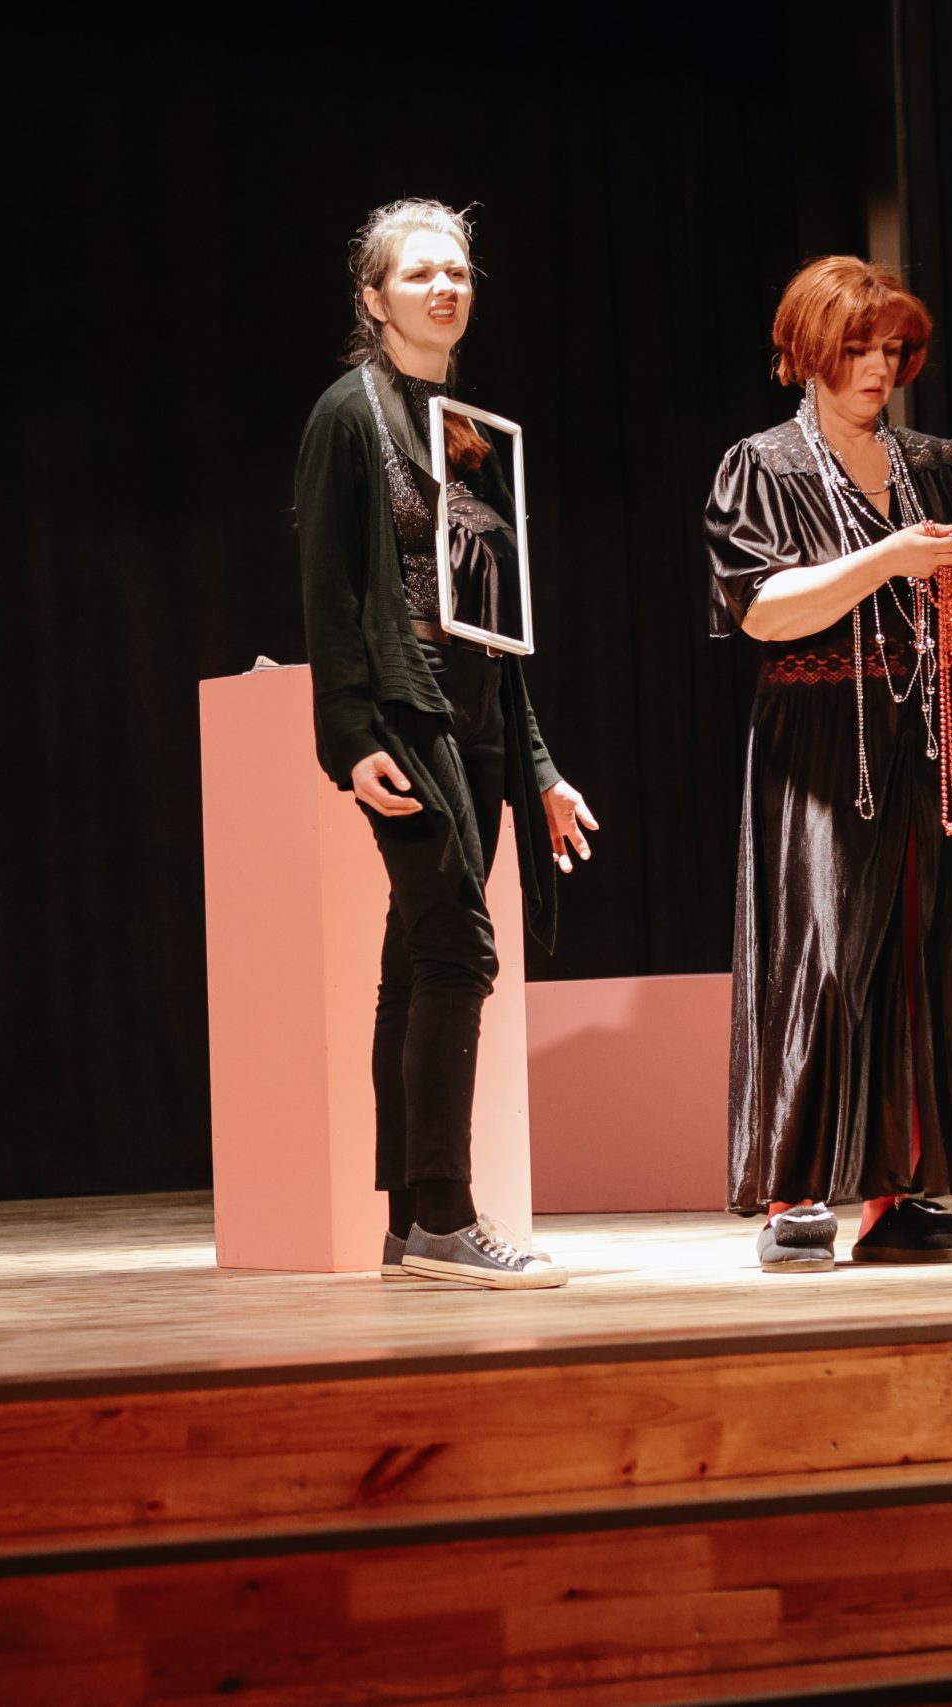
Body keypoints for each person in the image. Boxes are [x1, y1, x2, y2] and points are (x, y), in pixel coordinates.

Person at [704, 257, 952, 1273]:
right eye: (857, 349)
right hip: (819, 736)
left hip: (924, 731)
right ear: (808, 351)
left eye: (892, 350)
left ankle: (896, 1193)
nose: (877, 369)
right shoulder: (762, 467)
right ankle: (796, 1193)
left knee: (916, 958)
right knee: (820, 957)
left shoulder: (940, 464)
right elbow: (763, 612)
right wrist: (887, 558)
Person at [296, 198, 597, 1289]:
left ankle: (406, 1223)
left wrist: (540, 766)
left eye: (458, 272)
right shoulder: (349, 416)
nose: (444, 287)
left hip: (478, 709)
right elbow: (329, 589)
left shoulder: (468, 429)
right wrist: (350, 736)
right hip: (405, 707)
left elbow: (495, 623)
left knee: (416, 959)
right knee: (460, 950)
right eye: (419, 272)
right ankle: (446, 1217)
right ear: (374, 298)